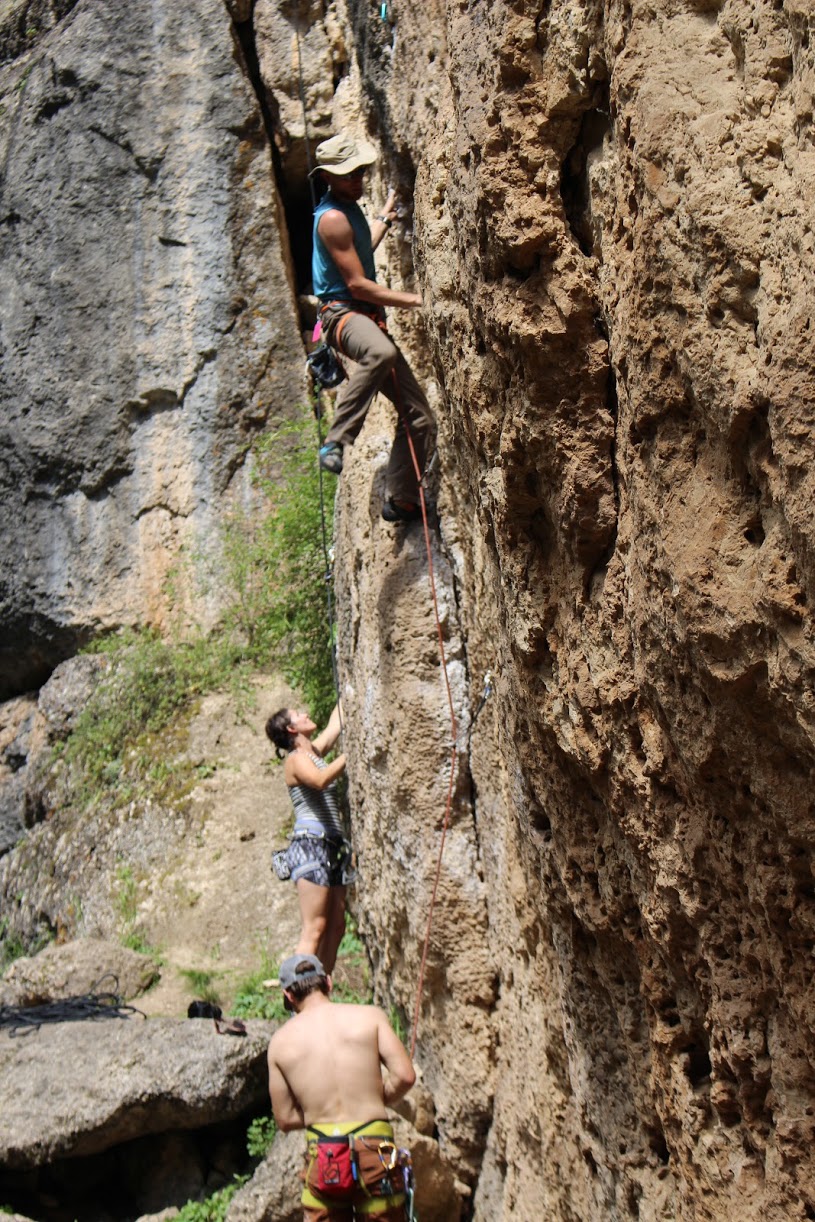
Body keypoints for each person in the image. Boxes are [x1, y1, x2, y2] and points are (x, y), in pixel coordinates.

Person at [310, 132, 434, 524]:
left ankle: (402, 501)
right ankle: (336, 441)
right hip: (340, 316)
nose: (357, 180)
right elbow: (358, 285)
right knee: (381, 352)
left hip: (362, 314)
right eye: (348, 175)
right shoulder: (331, 219)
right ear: (328, 177)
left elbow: (359, 253)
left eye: (360, 172)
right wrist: (416, 300)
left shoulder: (350, 211)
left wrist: (382, 218)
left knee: (421, 419)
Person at [268, 953, 417, 1221]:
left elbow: (285, 1118)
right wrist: (376, 1098)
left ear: (289, 996)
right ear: (329, 982)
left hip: (325, 1158)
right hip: (378, 1155)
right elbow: (405, 1076)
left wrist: (319, 1114)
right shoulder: (369, 1017)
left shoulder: (280, 1044)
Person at [266, 703, 349, 974]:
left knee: (336, 926)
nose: (305, 714)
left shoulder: (312, 752)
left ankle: (320, 987)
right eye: (298, 715)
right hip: (311, 846)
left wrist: (346, 697)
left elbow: (334, 726)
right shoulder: (295, 760)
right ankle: (297, 992)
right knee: (315, 927)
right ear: (292, 729)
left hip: (332, 847)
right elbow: (321, 779)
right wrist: (353, 752)